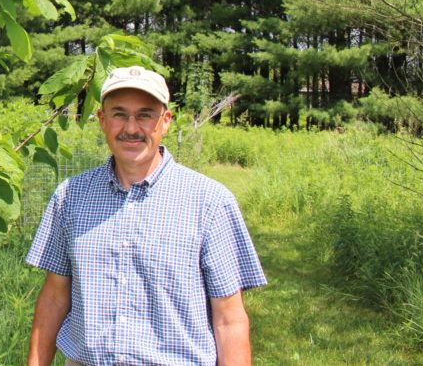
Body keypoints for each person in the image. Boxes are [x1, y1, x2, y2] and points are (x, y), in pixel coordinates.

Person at [25, 66, 266, 366]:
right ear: (102, 120)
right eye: (119, 114)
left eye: (145, 115)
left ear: (165, 121)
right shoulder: (70, 196)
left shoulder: (210, 202)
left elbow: (230, 320)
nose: (131, 127)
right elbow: (54, 298)